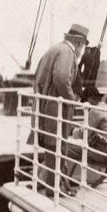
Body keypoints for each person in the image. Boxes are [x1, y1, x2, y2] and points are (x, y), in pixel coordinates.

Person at [33, 23, 88, 197]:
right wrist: (72, 99)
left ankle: (55, 186)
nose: (83, 50)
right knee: (57, 146)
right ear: (79, 43)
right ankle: (55, 188)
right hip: (56, 109)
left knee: (52, 147)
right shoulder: (67, 53)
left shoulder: (54, 49)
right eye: (84, 45)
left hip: (45, 106)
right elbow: (62, 78)